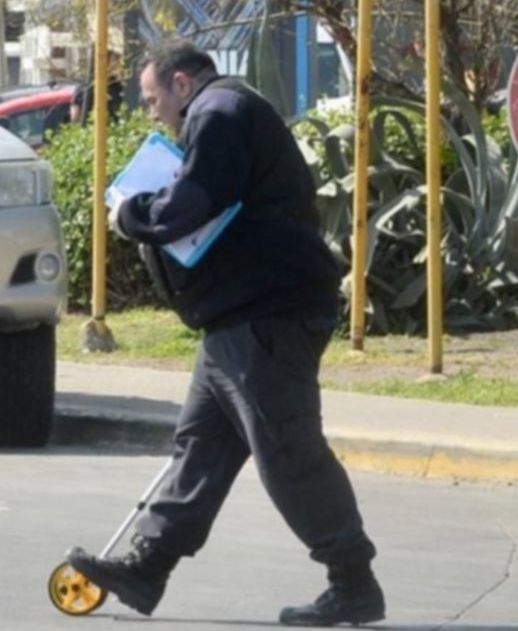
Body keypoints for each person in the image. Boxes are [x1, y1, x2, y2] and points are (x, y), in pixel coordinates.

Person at [67, 38, 384, 627]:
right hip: (237, 320)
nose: (151, 111)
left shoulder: (220, 113)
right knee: (201, 449)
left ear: (181, 84)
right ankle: (147, 565)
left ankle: (353, 582)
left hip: (268, 316)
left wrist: (129, 214)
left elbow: (186, 207)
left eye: (152, 96)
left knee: (288, 453)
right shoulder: (225, 113)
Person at [69, 51, 125, 124]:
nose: (118, 66)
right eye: (115, 62)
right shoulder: (86, 87)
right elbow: (75, 117)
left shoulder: (117, 85)